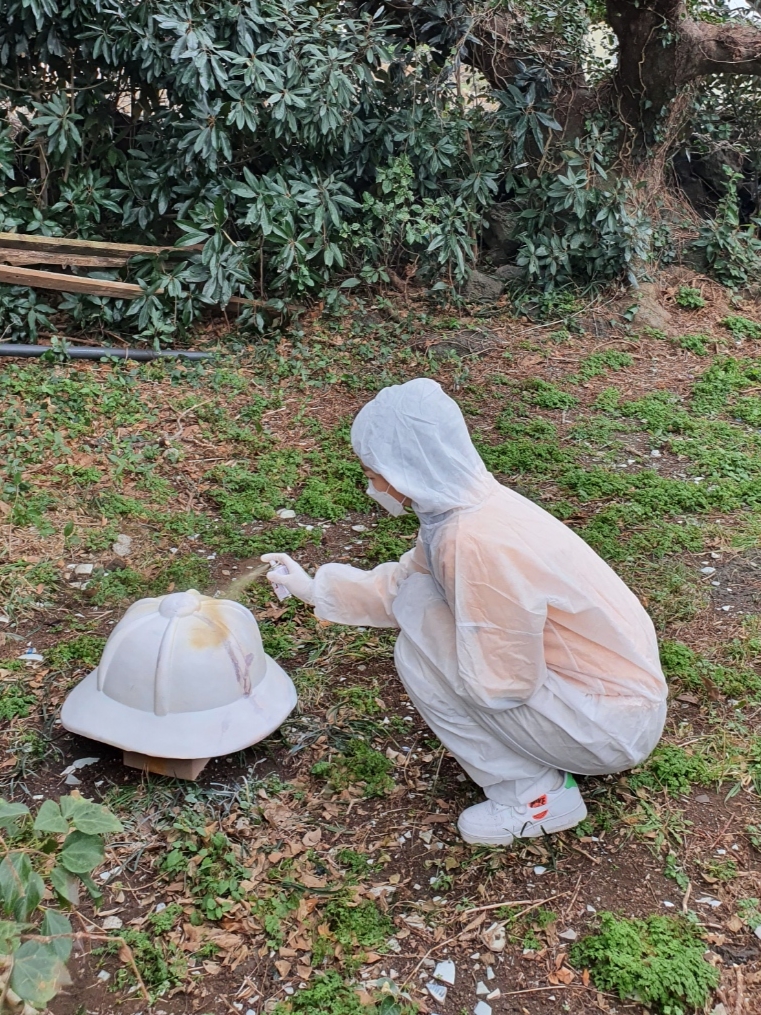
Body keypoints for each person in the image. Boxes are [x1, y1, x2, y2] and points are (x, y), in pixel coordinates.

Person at [262, 378, 667, 846]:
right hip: (615, 699)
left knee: (418, 651)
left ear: (402, 470)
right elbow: (410, 579)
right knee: (421, 609)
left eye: (371, 471)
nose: (370, 484)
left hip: (606, 727)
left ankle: (535, 796)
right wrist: (316, 588)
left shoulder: (470, 542)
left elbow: (503, 681)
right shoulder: (473, 507)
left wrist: (433, 634)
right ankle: (538, 764)